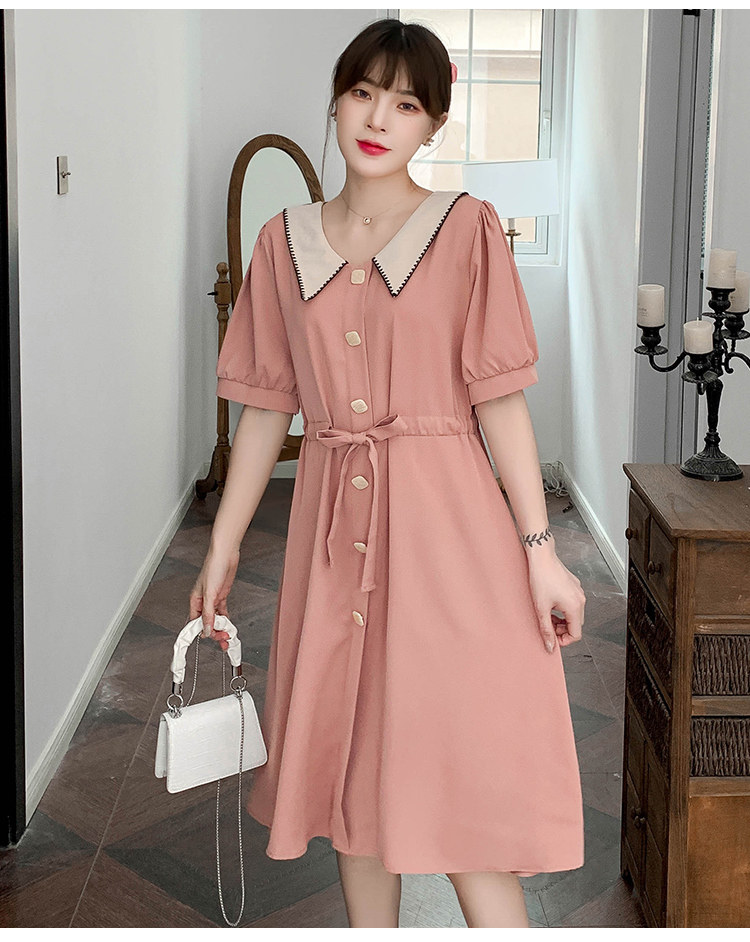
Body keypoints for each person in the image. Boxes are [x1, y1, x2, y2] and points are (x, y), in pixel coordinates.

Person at [190, 17, 586, 930]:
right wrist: (223, 545)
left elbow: (499, 401)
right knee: (352, 789)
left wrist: (540, 551)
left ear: (433, 124)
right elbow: (266, 407)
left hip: (453, 544)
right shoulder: (283, 242)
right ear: (336, 101)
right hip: (332, 553)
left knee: (467, 788)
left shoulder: (466, 229)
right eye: (363, 93)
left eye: (406, 105)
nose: (378, 119)